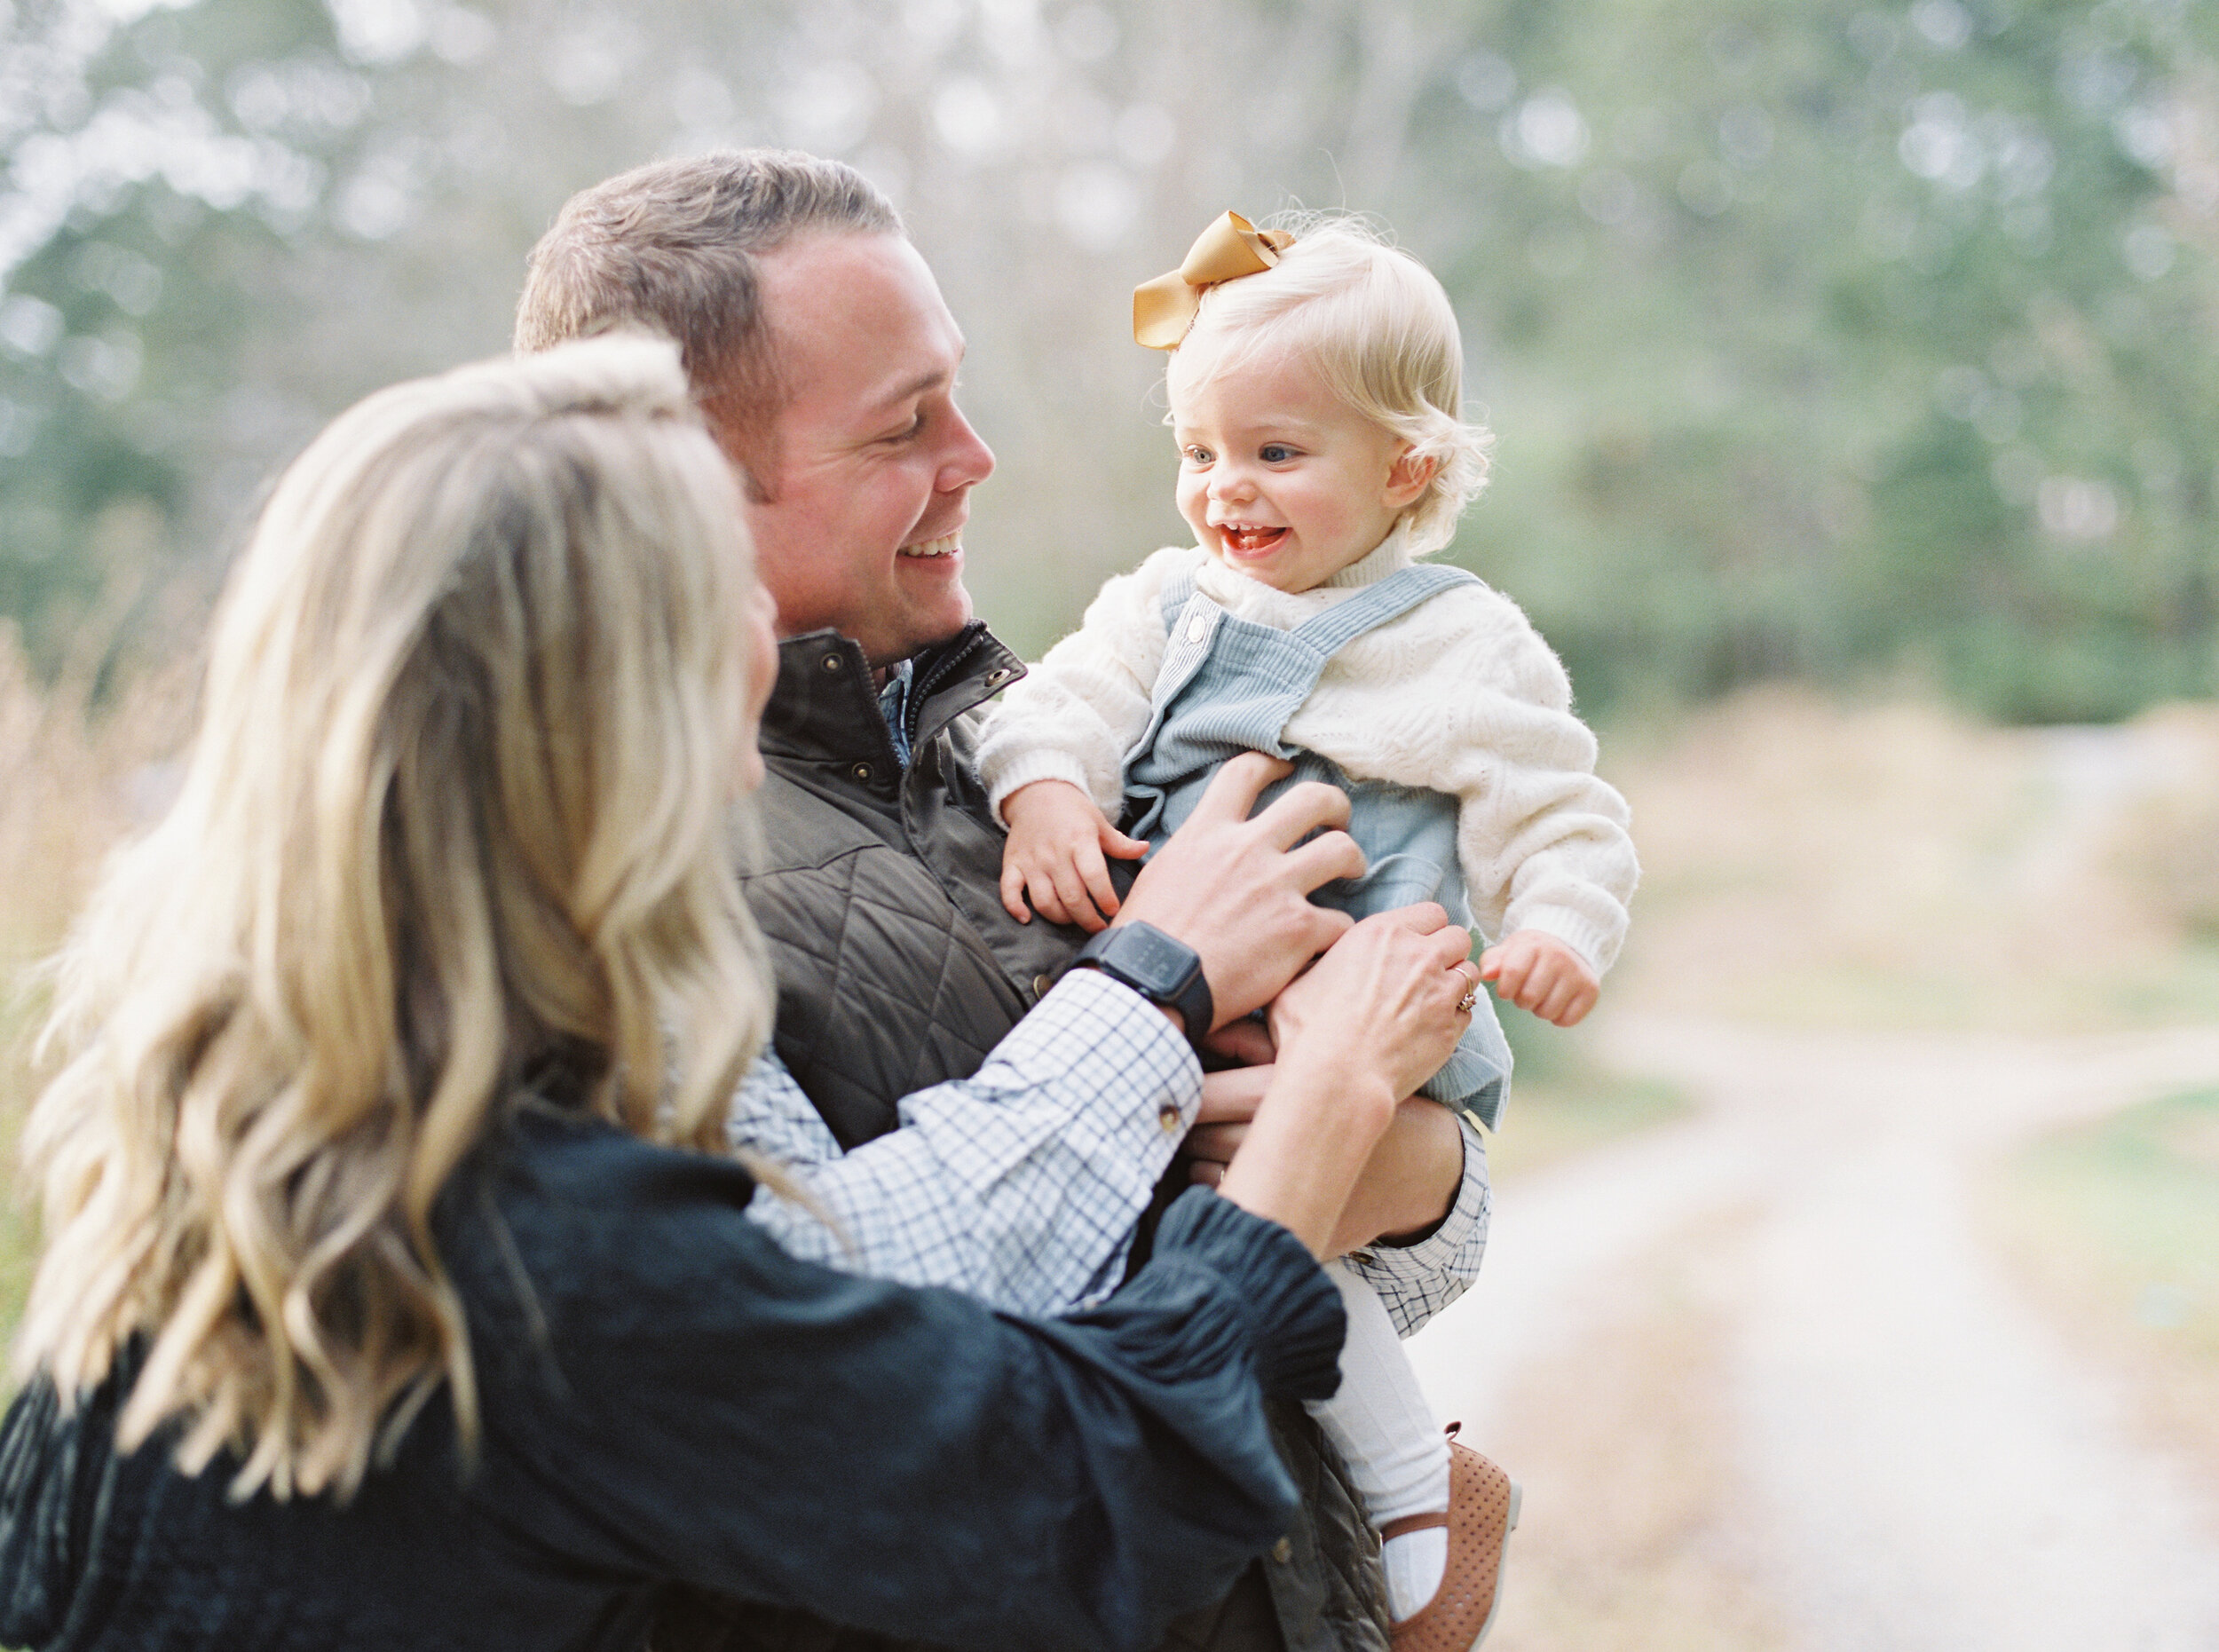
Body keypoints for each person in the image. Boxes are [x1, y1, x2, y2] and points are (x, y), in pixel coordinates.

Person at [0, 336, 1484, 1652]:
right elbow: (1075, 1500)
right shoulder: (539, 1245)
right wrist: (1323, 1103)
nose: (752, 686)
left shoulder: (220, 1144)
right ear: (605, 716)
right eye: (718, 630)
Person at [513, 153, 1497, 1651]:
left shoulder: (1050, 742)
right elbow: (815, 1341)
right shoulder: (600, 866)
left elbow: (1415, 1231)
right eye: (905, 424)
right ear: (681, 478)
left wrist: (1398, 1146)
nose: (976, 456)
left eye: (957, 397)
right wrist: (1166, 996)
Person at [974, 212, 1640, 1647]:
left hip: (1365, 1013)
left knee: (1287, 1226)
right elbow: (1062, 706)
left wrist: (1559, 931)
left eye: (1276, 454)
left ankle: (1412, 1488)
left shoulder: (1465, 642)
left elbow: (1563, 811)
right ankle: (1367, 1492)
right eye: (1200, 452)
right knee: (1224, 1240)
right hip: (1177, 991)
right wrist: (1041, 797)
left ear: (1406, 465)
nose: (1225, 490)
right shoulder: (1163, 602)